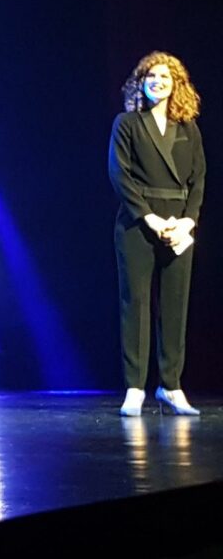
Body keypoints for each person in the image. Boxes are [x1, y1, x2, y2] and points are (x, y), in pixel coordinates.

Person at [109, 51, 205, 417]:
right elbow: (120, 175)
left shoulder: (188, 127)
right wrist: (148, 218)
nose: (158, 82)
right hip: (138, 223)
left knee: (175, 307)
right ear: (141, 83)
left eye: (165, 77)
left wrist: (187, 221)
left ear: (176, 84)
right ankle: (135, 387)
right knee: (135, 304)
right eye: (151, 76)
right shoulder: (127, 123)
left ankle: (171, 386)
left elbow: (199, 178)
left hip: (179, 225)